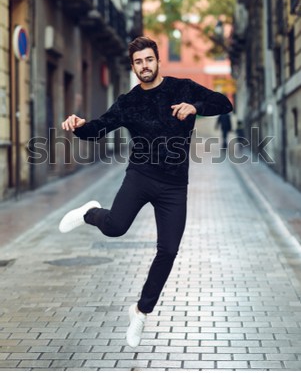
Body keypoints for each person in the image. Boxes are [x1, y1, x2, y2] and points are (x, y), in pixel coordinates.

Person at [59, 36, 233, 348]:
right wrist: (78, 125)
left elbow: (225, 103)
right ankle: (88, 212)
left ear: (157, 60)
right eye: (138, 62)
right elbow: (99, 128)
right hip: (140, 176)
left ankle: (140, 311)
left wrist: (195, 106)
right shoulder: (128, 101)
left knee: (168, 250)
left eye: (149, 60)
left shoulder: (182, 87)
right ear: (134, 66)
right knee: (114, 228)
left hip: (175, 185)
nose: (144, 66)